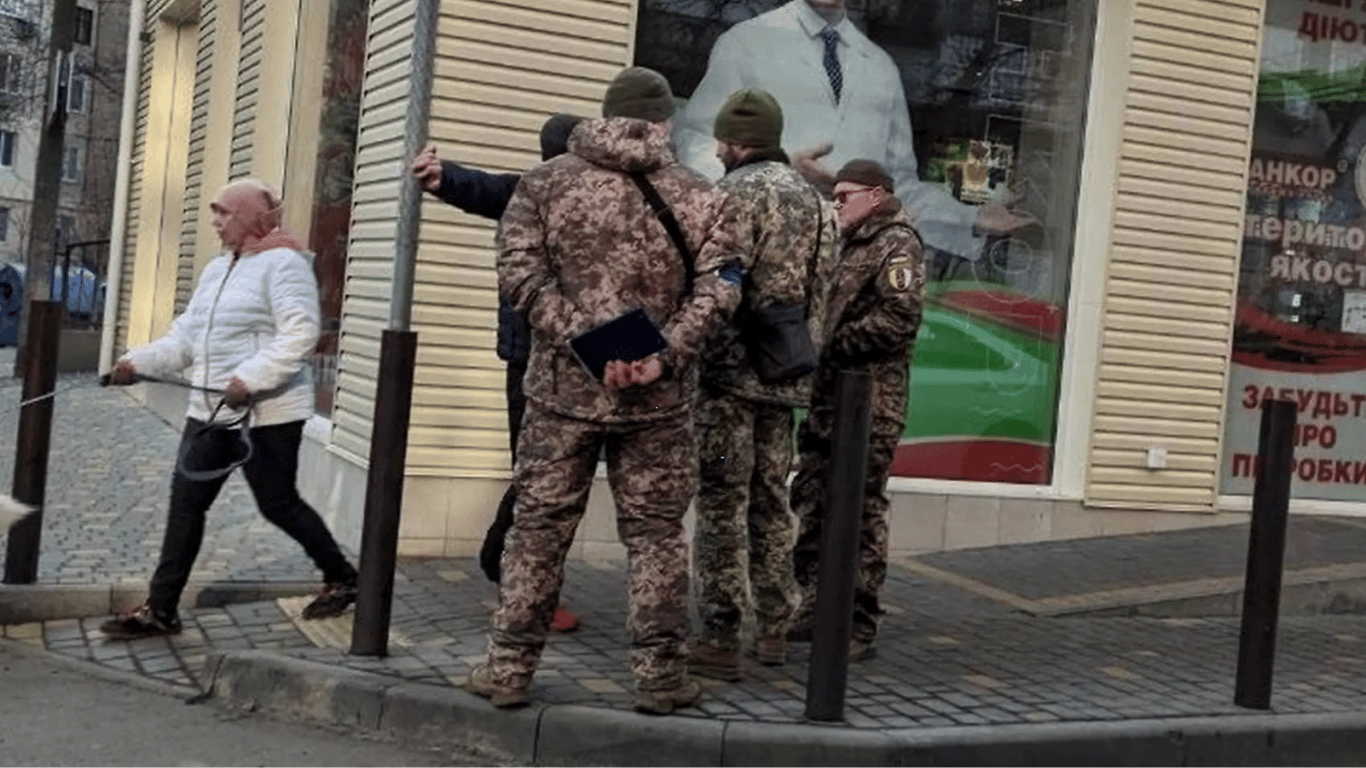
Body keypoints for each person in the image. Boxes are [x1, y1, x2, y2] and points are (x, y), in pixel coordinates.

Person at [467, 66, 744, 715]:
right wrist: (664, 352)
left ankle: (509, 668)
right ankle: (661, 678)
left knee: (537, 529)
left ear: (605, 114)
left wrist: (585, 342)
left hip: (561, 395)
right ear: (664, 121)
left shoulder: (544, 184)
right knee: (657, 536)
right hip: (659, 401)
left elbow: (519, 275)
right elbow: (724, 284)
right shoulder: (702, 195)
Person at [100, 179, 360, 639]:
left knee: (277, 504)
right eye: (215, 213)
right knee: (186, 504)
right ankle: (162, 611)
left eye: (224, 213)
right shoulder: (217, 268)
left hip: (268, 414)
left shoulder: (285, 264)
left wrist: (251, 378)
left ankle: (343, 576)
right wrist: (135, 364)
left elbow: (301, 333)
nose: (216, 222)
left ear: (247, 218)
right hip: (210, 412)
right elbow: (185, 338)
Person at [673, 0, 1029, 262]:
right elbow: (694, 143)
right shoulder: (746, 43)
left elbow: (897, 188)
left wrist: (972, 219)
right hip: (763, 263)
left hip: (847, 277)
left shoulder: (880, 68)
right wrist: (776, 171)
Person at [408, 114, 584, 635]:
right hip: (534, 361)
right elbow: (484, 188)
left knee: (544, 474)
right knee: (540, 476)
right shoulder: (534, 194)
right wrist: (444, 178)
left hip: (565, 363)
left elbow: (484, 188)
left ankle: (505, 566)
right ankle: (518, 581)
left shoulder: (573, 197)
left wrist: (443, 177)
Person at [687, 88, 837, 682]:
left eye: (721, 140)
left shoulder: (730, 195)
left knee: (722, 496)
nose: (717, 150)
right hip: (785, 379)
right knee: (771, 495)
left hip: (730, 385)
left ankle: (721, 634)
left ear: (735, 141)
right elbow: (822, 287)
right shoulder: (816, 203)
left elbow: (718, 282)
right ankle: (775, 624)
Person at [787, 160, 925, 661]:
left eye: (845, 195)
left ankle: (857, 621)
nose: (837, 203)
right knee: (814, 497)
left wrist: (832, 345)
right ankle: (815, 603)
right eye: (835, 195)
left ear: (875, 195)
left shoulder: (896, 243)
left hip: (870, 402)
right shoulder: (845, 242)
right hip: (828, 399)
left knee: (860, 511)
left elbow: (899, 317)